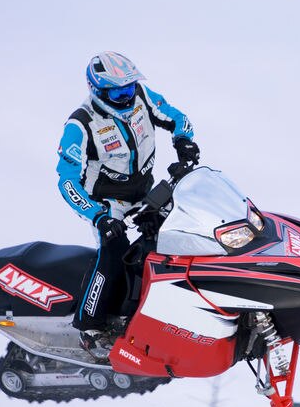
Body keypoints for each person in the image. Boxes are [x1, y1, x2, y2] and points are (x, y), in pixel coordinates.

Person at [55, 51, 200, 357]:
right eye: (119, 91)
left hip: (146, 192)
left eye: (130, 86)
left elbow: (176, 117)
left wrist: (184, 141)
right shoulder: (81, 124)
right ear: (98, 91)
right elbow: (66, 179)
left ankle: (171, 311)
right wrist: (97, 216)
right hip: (108, 202)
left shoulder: (142, 96)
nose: (127, 95)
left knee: (180, 236)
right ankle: (89, 327)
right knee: (115, 253)